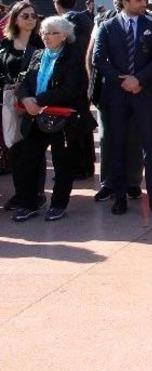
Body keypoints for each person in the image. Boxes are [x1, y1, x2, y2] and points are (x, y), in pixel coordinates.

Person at [91, 0, 152, 215]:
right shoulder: (107, 26)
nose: (143, 3)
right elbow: (98, 59)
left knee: (149, 145)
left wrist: (139, 80)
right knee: (118, 145)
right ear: (124, 2)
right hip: (116, 96)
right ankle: (120, 196)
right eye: (138, 0)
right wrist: (121, 80)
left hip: (144, 95)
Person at [10, 16, 88, 221]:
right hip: (35, 116)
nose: (47, 36)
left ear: (64, 36)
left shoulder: (73, 57)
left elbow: (71, 89)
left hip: (61, 118)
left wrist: (37, 99)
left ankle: (58, 204)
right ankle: (28, 203)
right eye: (44, 32)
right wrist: (25, 98)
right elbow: (23, 81)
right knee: (28, 160)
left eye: (52, 32)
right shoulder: (37, 54)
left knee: (62, 162)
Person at [51, 0, 95, 178]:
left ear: (56, 3)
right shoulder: (86, 19)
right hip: (85, 77)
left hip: (72, 80)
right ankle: (87, 164)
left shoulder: (67, 22)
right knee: (82, 119)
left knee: (73, 124)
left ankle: (78, 166)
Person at [1, 2, 43, 180]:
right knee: (14, 147)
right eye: (25, 16)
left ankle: (37, 194)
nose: (31, 19)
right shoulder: (6, 44)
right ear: (15, 19)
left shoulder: (41, 42)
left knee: (34, 149)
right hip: (9, 99)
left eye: (34, 16)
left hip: (33, 101)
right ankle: (21, 194)